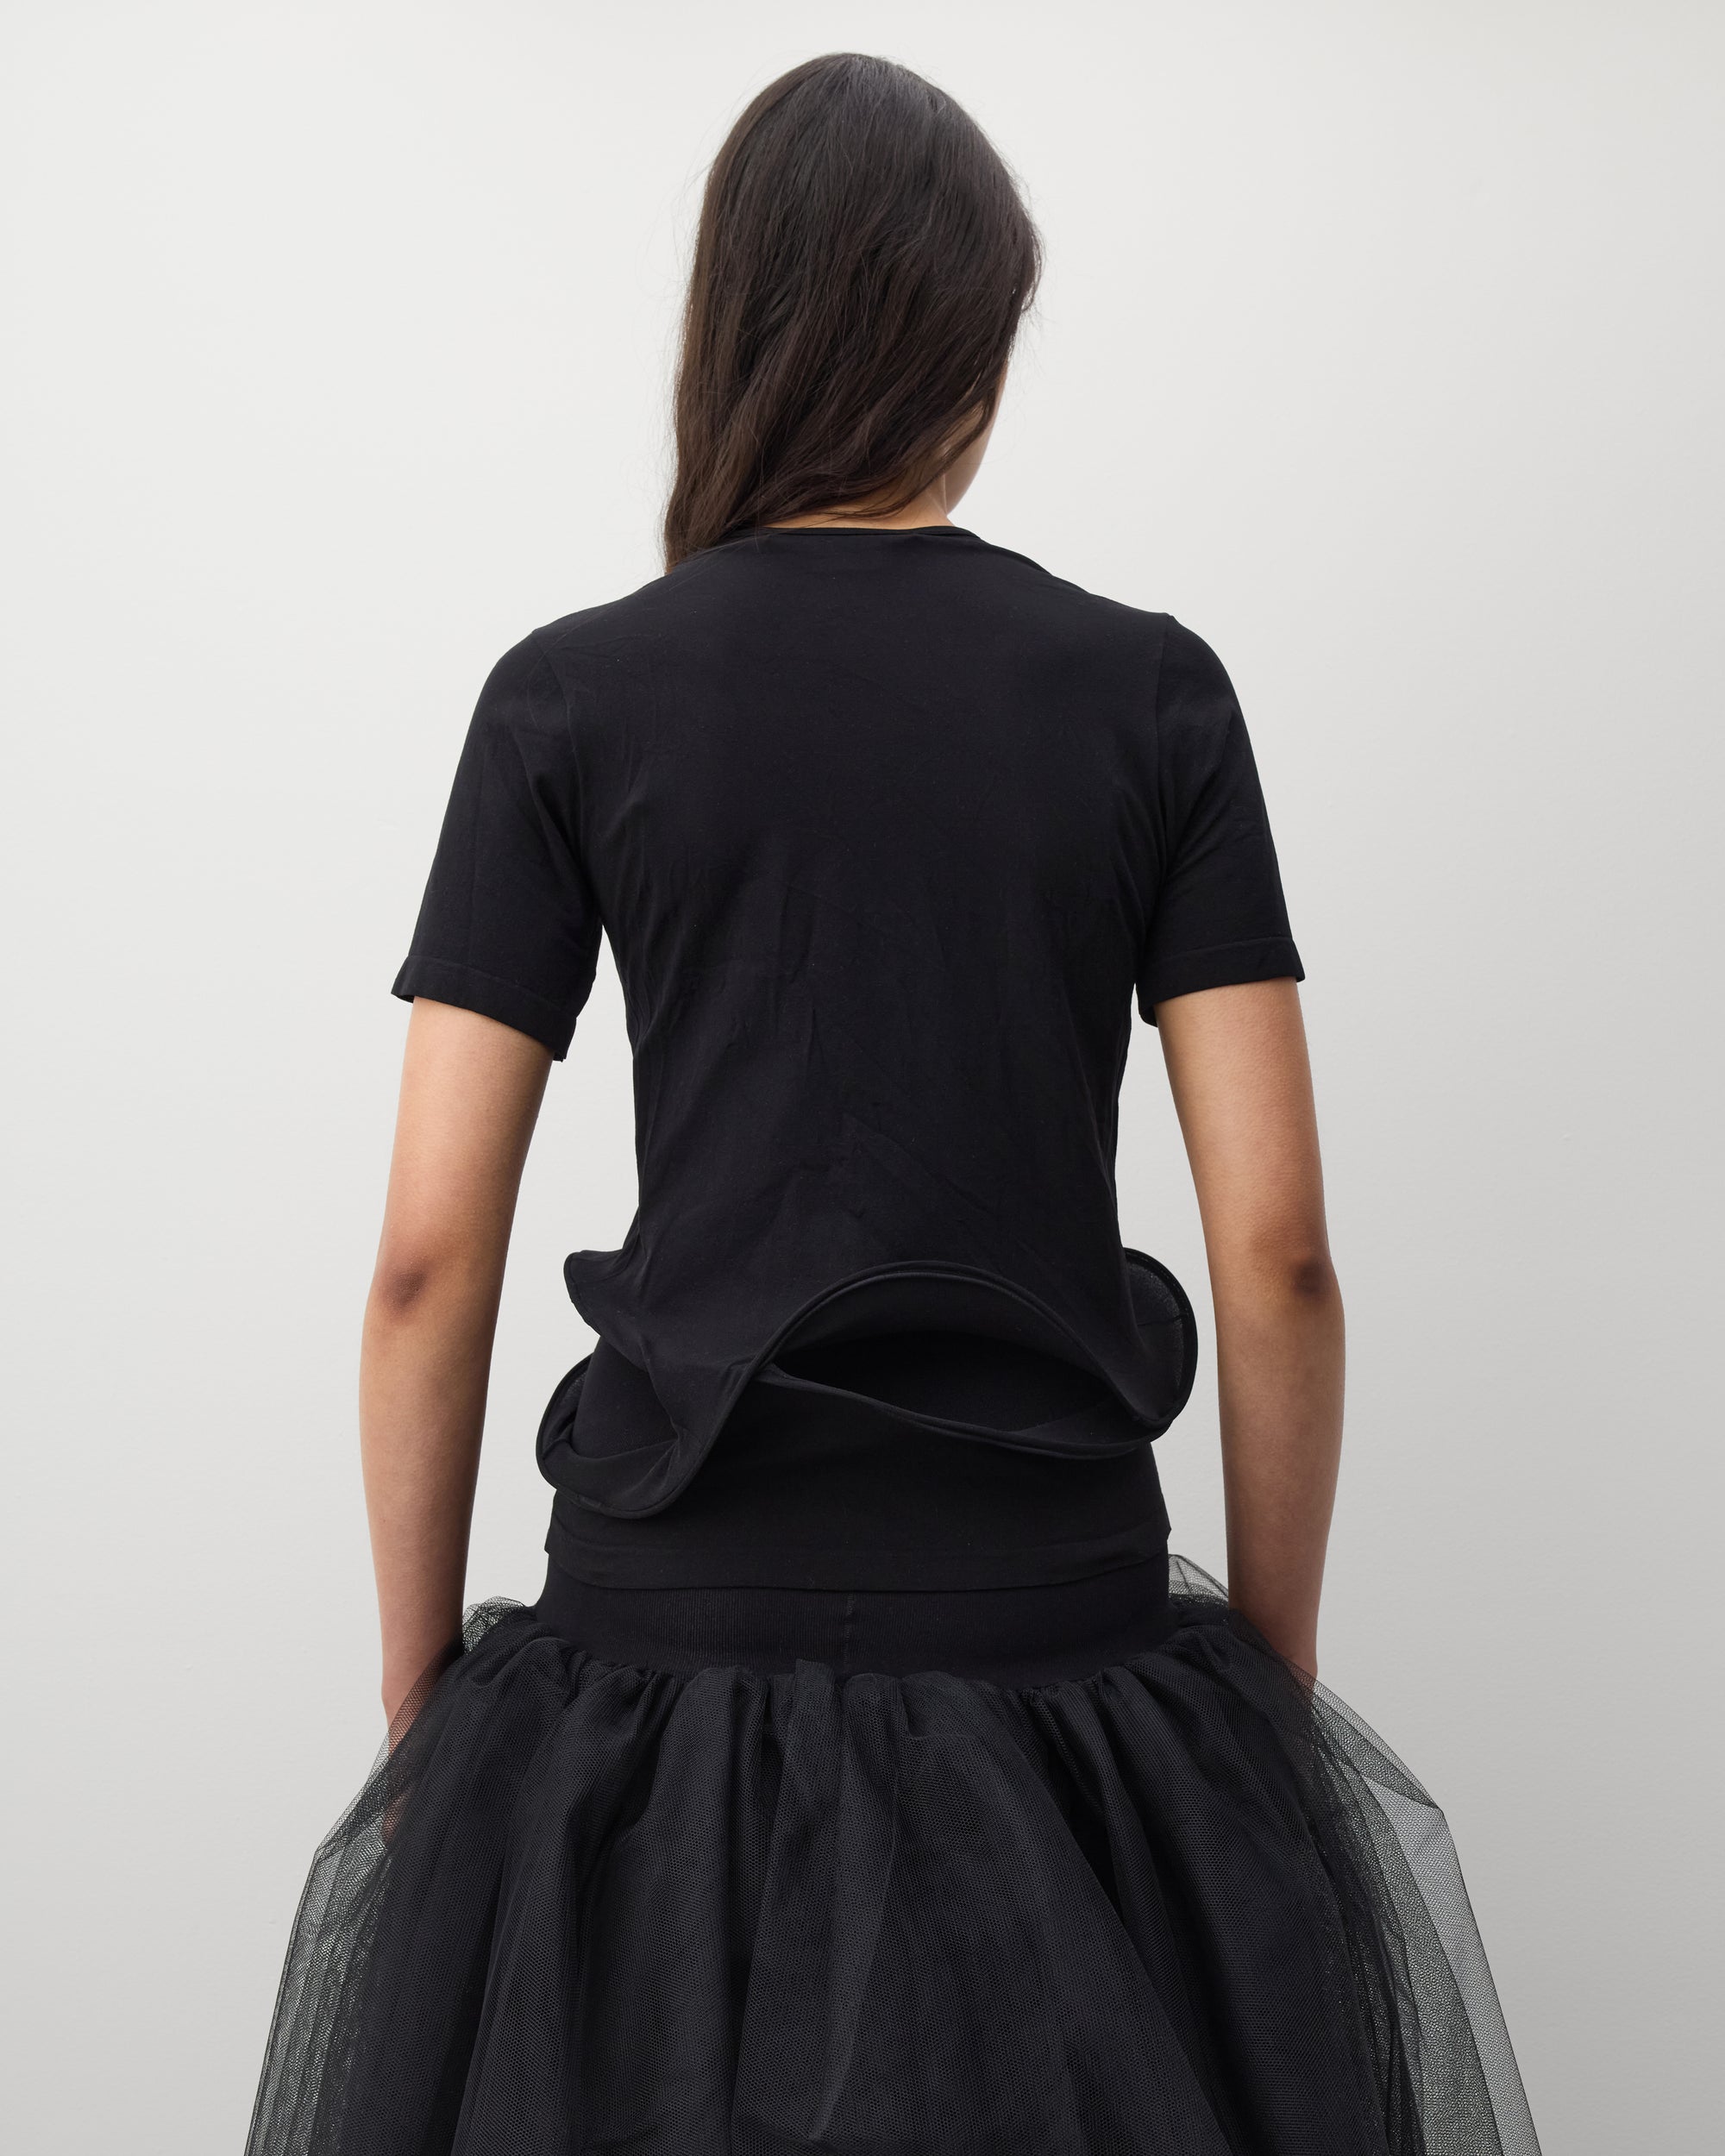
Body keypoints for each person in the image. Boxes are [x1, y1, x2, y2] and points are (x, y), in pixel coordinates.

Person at [246, 52, 1540, 2156]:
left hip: (658, 1669)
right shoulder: (1150, 692)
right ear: (971, 338)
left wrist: (420, 1710)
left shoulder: (569, 696)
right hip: (1057, 1644)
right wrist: (1265, 1696)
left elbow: (422, 1260)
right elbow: (1279, 1250)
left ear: (735, 327)